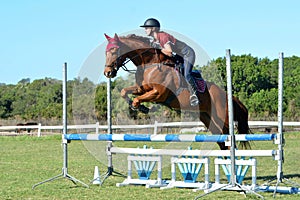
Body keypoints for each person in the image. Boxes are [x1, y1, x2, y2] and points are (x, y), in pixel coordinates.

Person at [140, 18, 199, 106]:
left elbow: (169, 52)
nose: (145, 30)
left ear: (153, 28)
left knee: (186, 74)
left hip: (187, 54)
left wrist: (159, 49)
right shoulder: (154, 40)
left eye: (146, 28)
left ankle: (194, 94)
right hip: (178, 56)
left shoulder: (163, 37)